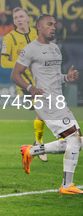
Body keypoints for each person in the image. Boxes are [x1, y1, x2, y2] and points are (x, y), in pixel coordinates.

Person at [13, 14, 82, 194]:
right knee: (75, 138)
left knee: (76, 142)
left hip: (58, 99)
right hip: (46, 101)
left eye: (55, 25)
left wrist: (67, 77)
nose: (53, 27)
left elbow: (54, 78)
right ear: (39, 27)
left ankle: (32, 151)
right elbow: (15, 75)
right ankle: (67, 185)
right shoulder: (30, 49)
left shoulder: (55, 49)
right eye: (49, 24)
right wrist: (31, 88)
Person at [1, 7, 47, 161]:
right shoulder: (9, 38)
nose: (19, 20)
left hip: (44, 80)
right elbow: (3, 62)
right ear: (14, 22)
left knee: (46, 112)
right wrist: (21, 63)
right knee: (42, 111)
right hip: (25, 84)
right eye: (15, 18)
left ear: (28, 18)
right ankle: (40, 143)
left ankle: (39, 143)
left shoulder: (38, 33)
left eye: (21, 16)